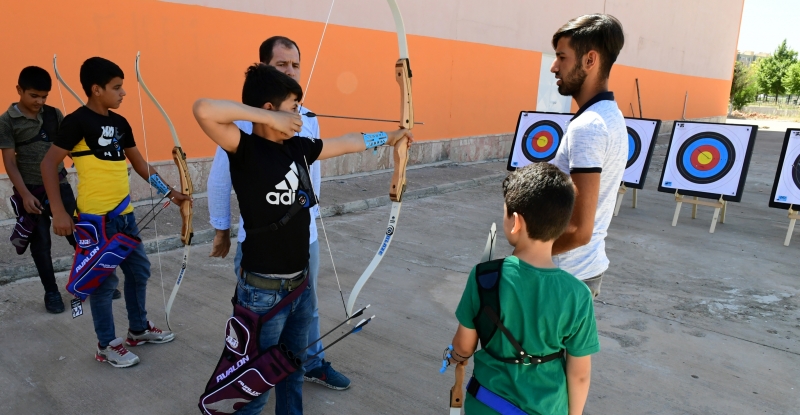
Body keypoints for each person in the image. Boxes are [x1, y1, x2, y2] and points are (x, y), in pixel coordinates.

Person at [193, 64, 412, 415]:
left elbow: (344, 144)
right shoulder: (244, 148)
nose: (299, 115)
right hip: (262, 292)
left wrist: (389, 137)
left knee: (291, 371)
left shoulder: (297, 148)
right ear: (268, 110)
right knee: (255, 385)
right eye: (293, 107)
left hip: (300, 286)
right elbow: (202, 109)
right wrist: (265, 117)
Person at [207, 36, 350, 389]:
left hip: (303, 234)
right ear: (264, 67)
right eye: (281, 65)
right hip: (260, 238)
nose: (291, 71)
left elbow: (312, 170)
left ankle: (311, 363)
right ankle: (250, 378)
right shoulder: (240, 123)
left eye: (295, 65)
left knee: (306, 307)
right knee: (260, 320)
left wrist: (310, 221)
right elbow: (220, 180)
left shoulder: (306, 115)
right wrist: (221, 229)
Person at [40, 57, 190, 367]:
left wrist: (171, 193)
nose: (123, 94)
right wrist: (58, 211)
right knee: (104, 282)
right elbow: (47, 163)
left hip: (125, 215)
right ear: (96, 90)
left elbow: (140, 165)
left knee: (139, 271)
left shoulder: (120, 124)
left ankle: (138, 329)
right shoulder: (77, 121)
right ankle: (106, 344)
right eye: (117, 88)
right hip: (95, 220)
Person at [447, 163, 599, 415]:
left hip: (486, 404)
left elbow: (464, 345)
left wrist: (456, 356)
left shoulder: (485, 276)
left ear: (515, 222)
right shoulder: (578, 294)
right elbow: (580, 374)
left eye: (506, 213)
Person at [0, 66, 120, 314]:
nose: (39, 102)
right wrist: (24, 194)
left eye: (44, 96)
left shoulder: (54, 114)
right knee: (41, 243)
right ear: (19, 90)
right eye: (34, 95)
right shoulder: (6, 121)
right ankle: (51, 292)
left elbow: (74, 145)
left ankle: (93, 280)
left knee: (79, 235)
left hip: (60, 185)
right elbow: (10, 162)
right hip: (30, 190)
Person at [548, 14, 627, 298]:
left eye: (562, 57)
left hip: (563, 277)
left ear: (589, 60)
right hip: (579, 271)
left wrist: (526, 254)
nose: (554, 67)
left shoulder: (589, 127)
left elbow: (580, 230)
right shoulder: (609, 116)